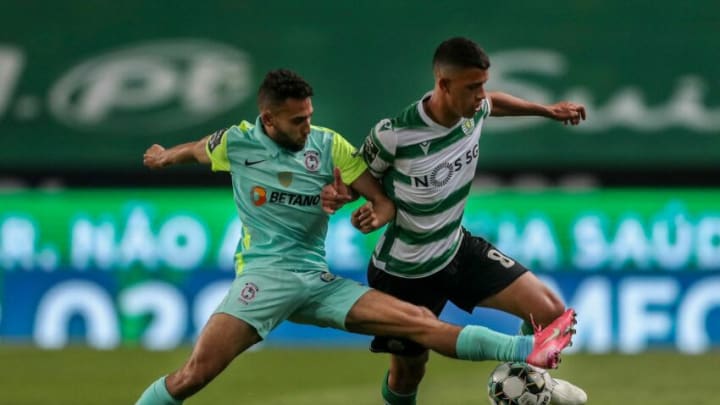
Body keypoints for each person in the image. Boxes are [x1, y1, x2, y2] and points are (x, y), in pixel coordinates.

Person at [135, 68, 576, 405]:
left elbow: (380, 200)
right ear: (268, 119)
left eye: (309, 116)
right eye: (296, 121)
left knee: (421, 324)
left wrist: (368, 213)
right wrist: (163, 156)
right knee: (193, 376)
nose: (307, 127)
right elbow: (195, 149)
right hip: (263, 279)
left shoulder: (329, 147)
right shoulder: (237, 144)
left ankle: (530, 349)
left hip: (315, 280)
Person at [321, 38, 588, 405]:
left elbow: (497, 103)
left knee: (549, 312)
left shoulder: (474, 110)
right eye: (472, 87)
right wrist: (348, 197)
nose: (481, 96)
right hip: (404, 272)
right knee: (408, 372)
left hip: (456, 248)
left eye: (482, 85)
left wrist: (546, 110)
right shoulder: (395, 134)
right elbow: (359, 177)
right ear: (443, 84)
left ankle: (529, 388)